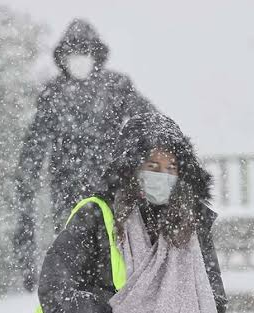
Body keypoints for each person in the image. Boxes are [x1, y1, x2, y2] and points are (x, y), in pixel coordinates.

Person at [38, 113, 227, 313]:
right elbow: (54, 289)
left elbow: (214, 300)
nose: (162, 176)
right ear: (131, 168)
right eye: (153, 167)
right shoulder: (97, 215)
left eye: (171, 168)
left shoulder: (192, 226)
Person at [15, 18, 153, 292]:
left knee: (114, 253)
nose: (79, 60)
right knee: (75, 255)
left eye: (84, 53)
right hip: (68, 192)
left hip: (112, 188)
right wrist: (26, 176)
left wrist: (147, 156)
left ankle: (116, 303)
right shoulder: (54, 94)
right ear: (63, 58)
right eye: (73, 54)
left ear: (95, 55)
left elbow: (147, 119)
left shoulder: (115, 87)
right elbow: (35, 144)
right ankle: (81, 308)